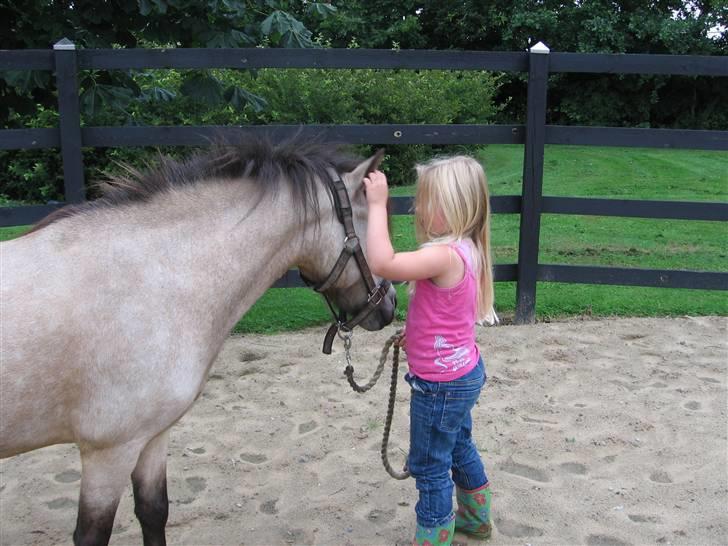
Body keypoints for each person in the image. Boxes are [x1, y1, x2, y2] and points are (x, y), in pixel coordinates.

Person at [363, 155, 497, 545]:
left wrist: (376, 205)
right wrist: (417, 336)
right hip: (464, 372)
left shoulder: (442, 254)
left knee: (430, 466)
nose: (417, 208)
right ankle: (476, 520)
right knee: (458, 445)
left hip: (439, 386)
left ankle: (435, 537)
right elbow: (446, 315)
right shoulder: (470, 249)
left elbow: (383, 262)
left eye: (426, 200)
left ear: (454, 206)